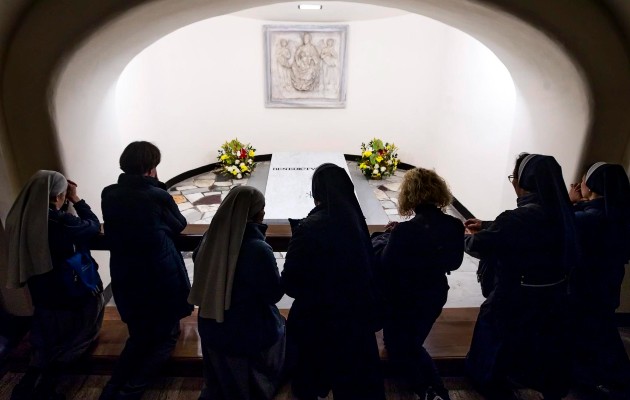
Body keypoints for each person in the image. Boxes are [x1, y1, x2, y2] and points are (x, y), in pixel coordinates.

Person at [463, 153, 577, 400]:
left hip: (514, 295)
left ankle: (488, 384)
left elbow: (479, 246)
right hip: (550, 294)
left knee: (493, 339)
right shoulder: (563, 211)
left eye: (514, 177)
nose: (513, 182)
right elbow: (526, 229)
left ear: (525, 181)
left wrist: (467, 235)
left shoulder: (516, 218)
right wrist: (487, 224)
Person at [282, 163, 385, 400]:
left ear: (316, 192)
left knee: (309, 385)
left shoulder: (308, 227)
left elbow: (291, 283)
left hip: (316, 323)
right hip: (354, 324)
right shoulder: (355, 223)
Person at [99, 141, 193, 400]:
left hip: (126, 273)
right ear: (151, 168)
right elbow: (179, 224)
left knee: (139, 337)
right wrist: (159, 189)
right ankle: (131, 392)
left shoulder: (109, 193)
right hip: (158, 276)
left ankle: (110, 389)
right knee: (165, 336)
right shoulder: (156, 195)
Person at [6, 171, 104, 400]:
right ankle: (47, 388)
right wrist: (77, 199)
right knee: (76, 336)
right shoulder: (60, 221)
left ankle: (25, 385)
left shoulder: (19, 217)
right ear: (60, 195)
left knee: (44, 337)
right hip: (68, 291)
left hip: (40, 289)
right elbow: (92, 227)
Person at [372, 168, 463, 400]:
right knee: (409, 342)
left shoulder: (405, 231)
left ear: (410, 195)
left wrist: (385, 237)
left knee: (402, 345)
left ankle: (433, 390)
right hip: (434, 294)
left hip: (405, 297)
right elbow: (454, 262)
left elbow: (386, 263)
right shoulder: (454, 225)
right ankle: (431, 389)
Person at [189, 185, 285, 400]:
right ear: (255, 213)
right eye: (262, 209)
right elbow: (273, 294)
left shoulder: (209, 239)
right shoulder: (258, 249)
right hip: (247, 333)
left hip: (211, 326)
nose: (264, 213)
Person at [568, 162, 630, 397]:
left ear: (591, 185)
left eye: (584, 179)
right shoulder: (618, 214)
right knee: (602, 327)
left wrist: (569, 203)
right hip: (609, 279)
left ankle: (593, 381)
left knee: (588, 331)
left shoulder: (588, 218)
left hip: (585, 283)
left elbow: (560, 227)